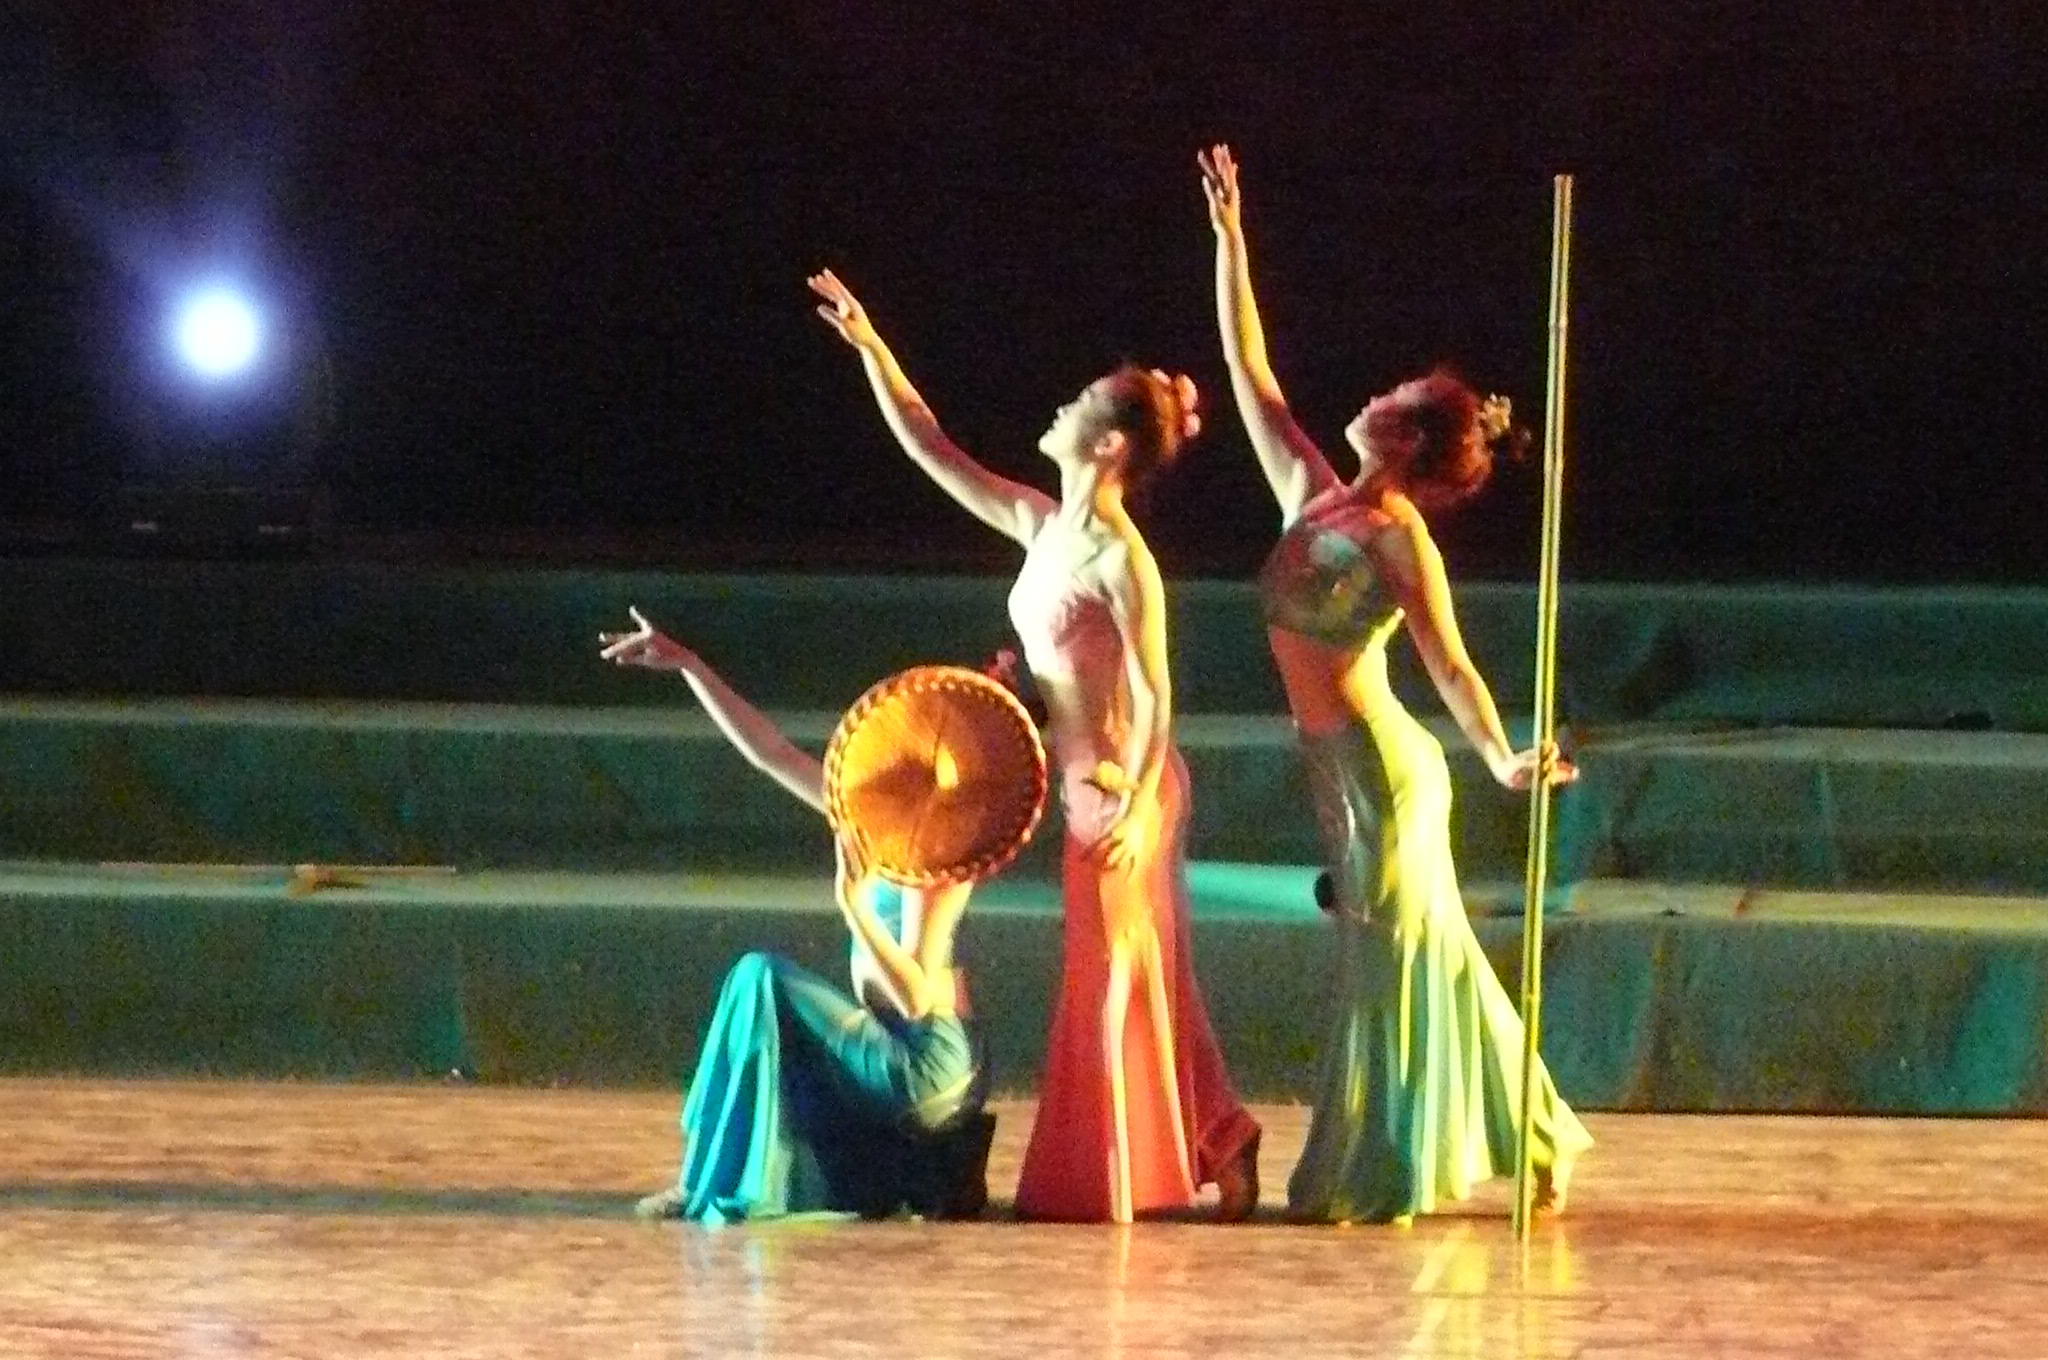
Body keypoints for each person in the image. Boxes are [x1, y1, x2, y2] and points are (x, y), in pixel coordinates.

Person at [810, 269, 1261, 1223]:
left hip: (1122, 786)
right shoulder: (1042, 523)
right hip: (1083, 786)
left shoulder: (1121, 558)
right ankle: (1219, 1135)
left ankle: (1143, 1166)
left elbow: (1155, 690)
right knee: (1134, 976)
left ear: (1107, 443)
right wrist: (873, 348)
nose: (1056, 409)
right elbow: (932, 446)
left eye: (1078, 403)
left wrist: (1135, 799)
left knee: (1116, 981)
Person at [1197, 144, 1592, 1224]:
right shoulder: (1313, 495)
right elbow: (1248, 371)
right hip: (1337, 768)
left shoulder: (1395, 537)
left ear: (1405, 434)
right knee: (1427, 958)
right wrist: (1231, 239)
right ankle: (1538, 1130)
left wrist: (1500, 756)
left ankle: (1372, 1168)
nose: (1370, 395)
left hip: (1387, 772)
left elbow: (1448, 661)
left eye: (1392, 395)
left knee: (1394, 967)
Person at [600, 607, 994, 1223]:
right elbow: (774, 754)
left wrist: (854, 906)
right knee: (763, 993)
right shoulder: (866, 819)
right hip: (895, 1050)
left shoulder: (938, 860)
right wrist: (690, 667)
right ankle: (710, 1171)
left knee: (760, 979)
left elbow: (916, 997)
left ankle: (709, 1178)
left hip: (929, 1068)